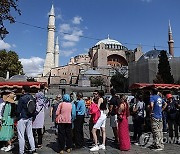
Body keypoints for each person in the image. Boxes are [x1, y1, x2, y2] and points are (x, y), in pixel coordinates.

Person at [16, 85, 37, 154]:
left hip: (22, 118)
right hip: (30, 118)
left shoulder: (22, 98)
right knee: (30, 134)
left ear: (23, 90)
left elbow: (18, 110)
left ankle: (21, 151)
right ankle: (33, 148)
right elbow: (34, 108)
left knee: (21, 136)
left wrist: (17, 117)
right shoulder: (32, 98)